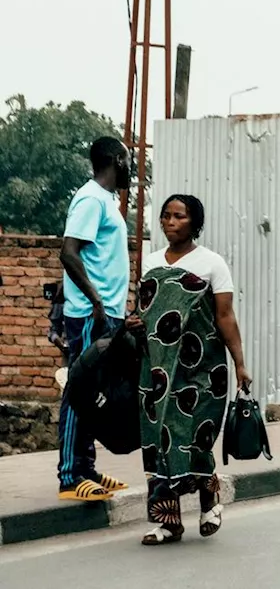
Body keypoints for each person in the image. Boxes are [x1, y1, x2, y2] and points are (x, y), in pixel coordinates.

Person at [137, 195, 250, 545]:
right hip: (158, 369)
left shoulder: (212, 263)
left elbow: (225, 316)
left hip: (202, 369)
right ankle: (167, 521)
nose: (170, 222)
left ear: (194, 223)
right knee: (157, 440)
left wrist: (240, 363)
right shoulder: (150, 262)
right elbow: (148, 312)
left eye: (179, 217)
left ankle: (208, 501)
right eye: (166, 216)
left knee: (195, 436)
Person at [56, 137, 132, 502]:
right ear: (117, 159)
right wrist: (96, 300)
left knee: (97, 393)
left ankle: (85, 468)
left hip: (106, 315)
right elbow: (68, 253)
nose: (132, 167)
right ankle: (70, 475)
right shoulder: (90, 198)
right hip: (91, 315)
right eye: (129, 160)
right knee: (80, 389)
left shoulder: (107, 202)